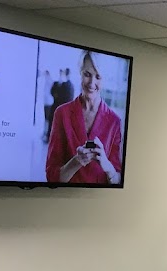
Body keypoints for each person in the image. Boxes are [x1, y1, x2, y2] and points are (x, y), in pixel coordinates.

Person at [45, 51, 124, 184]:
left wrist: (107, 165)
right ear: (80, 73)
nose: (92, 83)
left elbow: (117, 179)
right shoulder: (62, 114)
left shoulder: (114, 121)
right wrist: (76, 161)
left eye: (98, 77)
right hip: (64, 196)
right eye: (87, 74)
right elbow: (52, 176)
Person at [41, 70, 54, 143]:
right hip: (46, 102)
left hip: (49, 103)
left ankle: (46, 134)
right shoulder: (47, 81)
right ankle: (45, 132)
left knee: (47, 119)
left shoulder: (50, 81)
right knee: (46, 119)